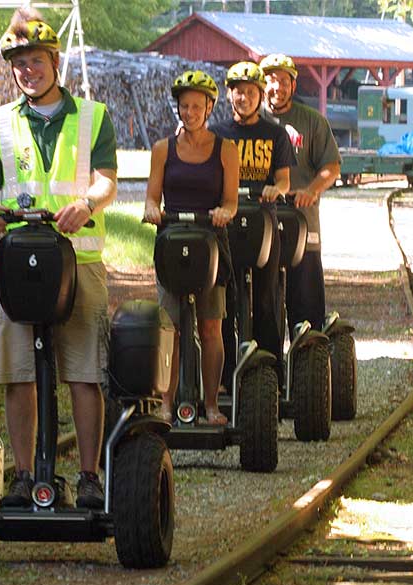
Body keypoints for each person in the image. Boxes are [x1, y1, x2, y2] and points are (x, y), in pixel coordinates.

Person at [0, 7, 117, 510]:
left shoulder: (93, 117)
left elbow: (105, 179)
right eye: (19, 64)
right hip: (17, 264)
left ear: (55, 62)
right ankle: (24, 474)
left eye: (35, 61)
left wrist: (88, 203)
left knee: (84, 370)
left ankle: (91, 476)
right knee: (18, 372)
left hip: (79, 261)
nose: (27, 71)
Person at [143, 70, 239, 425]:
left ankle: (211, 404)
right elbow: (152, 198)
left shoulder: (225, 150)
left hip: (210, 243)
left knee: (210, 326)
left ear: (209, 107)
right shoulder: (163, 149)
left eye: (197, 106)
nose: (190, 112)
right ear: (178, 108)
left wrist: (223, 213)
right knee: (170, 326)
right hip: (172, 241)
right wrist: (153, 210)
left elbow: (230, 202)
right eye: (185, 106)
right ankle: (167, 403)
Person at [210, 61, 296, 388]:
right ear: (229, 95)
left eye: (250, 92)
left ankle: (271, 372)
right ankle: (228, 374)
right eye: (238, 92)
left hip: (263, 219)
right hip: (226, 221)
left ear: (259, 95)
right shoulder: (217, 134)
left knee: (268, 297)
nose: (243, 98)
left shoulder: (274, 133)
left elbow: (285, 180)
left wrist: (277, 189)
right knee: (226, 298)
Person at [259, 53, 341, 333]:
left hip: (302, 219)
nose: (277, 87)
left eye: (283, 81)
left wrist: (311, 190)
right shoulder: (250, 121)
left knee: (306, 308)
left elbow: (331, 166)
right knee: (260, 306)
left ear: (293, 86)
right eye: (271, 80)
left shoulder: (312, 121)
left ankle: (308, 362)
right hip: (259, 222)